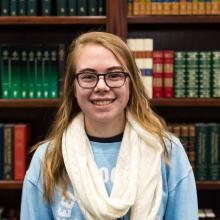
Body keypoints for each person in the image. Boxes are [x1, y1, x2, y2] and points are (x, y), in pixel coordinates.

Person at [20, 31, 198, 220]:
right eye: (88, 76)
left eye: (114, 75)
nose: (101, 86)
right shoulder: (48, 158)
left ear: (132, 83)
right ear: (73, 87)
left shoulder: (167, 152)